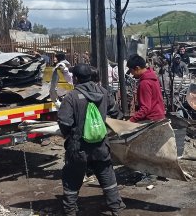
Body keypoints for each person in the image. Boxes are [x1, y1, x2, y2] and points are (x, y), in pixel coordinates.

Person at [58, 64, 125, 216]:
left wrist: (68, 136)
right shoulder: (103, 92)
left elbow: (65, 122)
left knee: (72, 177)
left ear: (75, 78)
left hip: (78, 147)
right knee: (107, 175)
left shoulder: (71, 97)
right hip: (101, 145)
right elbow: (116, 114)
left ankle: (70, 210)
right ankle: (116, 207)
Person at [126, 54, 165, 123]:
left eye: (131, 71)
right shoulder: (153, 78)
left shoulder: (144, 83)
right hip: (159, 117)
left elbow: (145, 108)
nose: (132, 74)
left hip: (151, 120)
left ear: (137, 68)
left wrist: (131, 120)